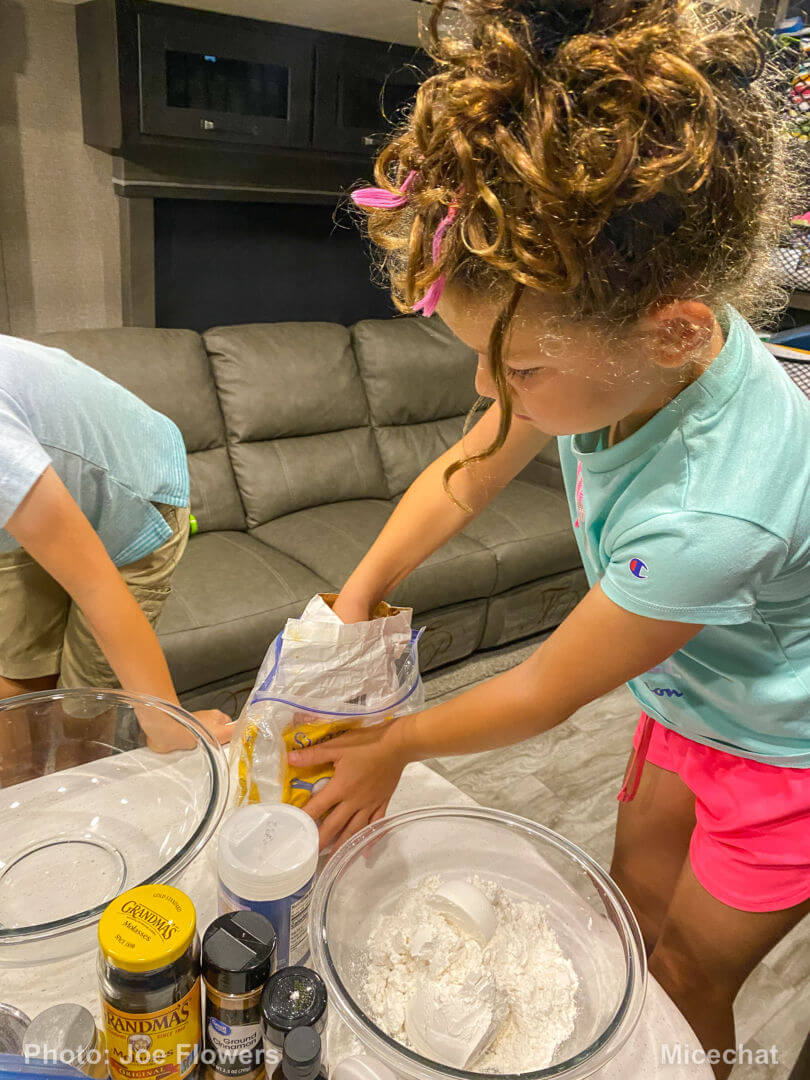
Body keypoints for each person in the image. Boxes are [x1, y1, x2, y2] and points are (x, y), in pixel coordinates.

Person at [285, 0, 810, 1074]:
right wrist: (357, 592)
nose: (492, 391)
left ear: (675, 335)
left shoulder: (718, 515)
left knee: (685, 979)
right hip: (691, 701)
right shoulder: (636, 328)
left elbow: (544, 692)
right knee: (628, 919)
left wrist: (395, 746)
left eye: (516, 371)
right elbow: (470, 473)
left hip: (788, 758)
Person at [0, 333, 233, 761]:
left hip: (135, 491)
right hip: (41, 478)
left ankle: (73, 785)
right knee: (15, 673)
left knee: (82, 707)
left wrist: (170, 727)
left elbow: (96, 587)